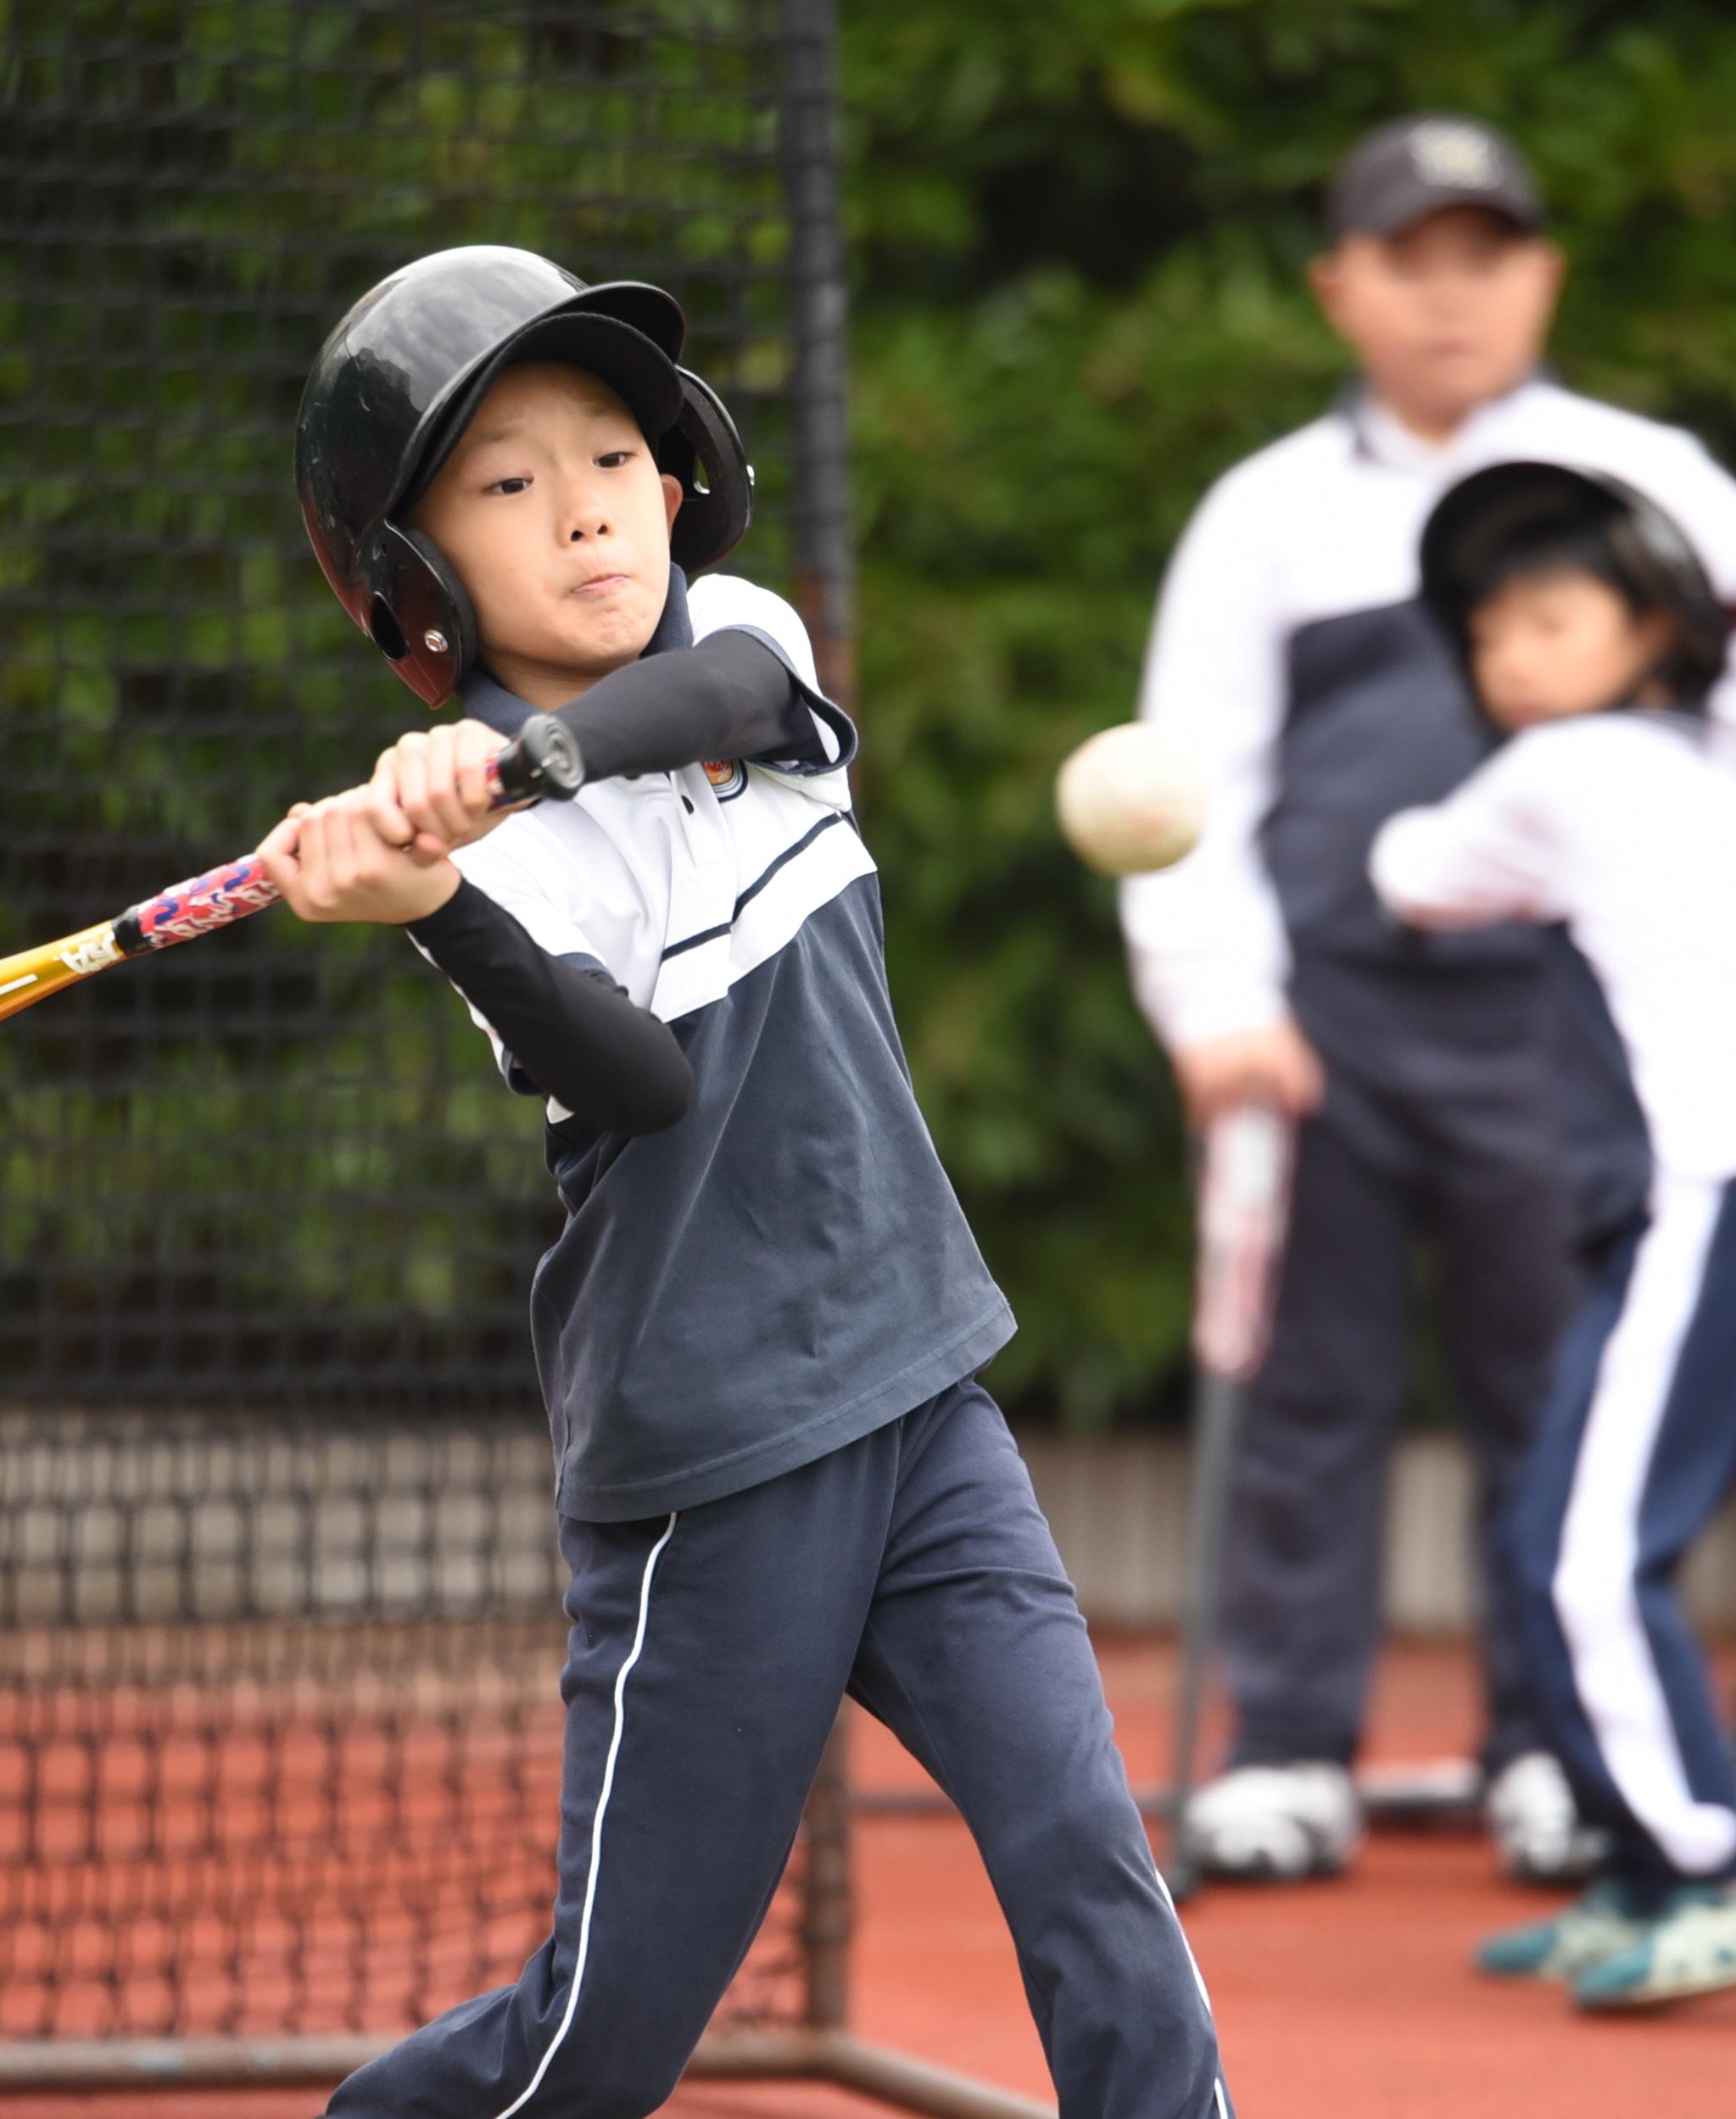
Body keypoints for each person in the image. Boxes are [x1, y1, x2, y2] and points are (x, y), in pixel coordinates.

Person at [267, 245, 1230, 2116]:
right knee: (600, 2038)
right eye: (511, 484)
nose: (587, 512)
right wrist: (444, 895)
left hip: (918, 1392)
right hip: (716, 1463)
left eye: (613, 456)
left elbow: (708, 691)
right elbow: (635, 1084)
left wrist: (519, 759)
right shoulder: (494, 876)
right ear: (415, 579)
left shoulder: (745, 645)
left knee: (1085, 1855)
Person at [1121, 112, 1736, 1886]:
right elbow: (1188, 780)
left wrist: (1652, 815)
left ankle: (1560, 1754)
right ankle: (1289, 1749)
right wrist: (1218, 1000)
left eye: (1487, 257)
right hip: (1322, 1030)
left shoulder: (1639, 475)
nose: (1451, 298)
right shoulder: (1263, 514)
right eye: (1410, 260)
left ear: (1541, 277)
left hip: (1555, 1032)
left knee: (1565, 1377)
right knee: (1310, 1385)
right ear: (1337, 287)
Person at [1370, 457, 1736, 2009]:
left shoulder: (1563, 774)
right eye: (1491, 630)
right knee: (1549, 1545)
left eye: (1554, 616)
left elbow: (1415, 878)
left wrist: (1454, 824)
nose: (1510, 651)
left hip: (1717, 1194)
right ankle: (1642, 1865)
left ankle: (1722, 1866)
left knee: (1583, 1561)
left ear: (1656, 629)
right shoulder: (1705, 764)